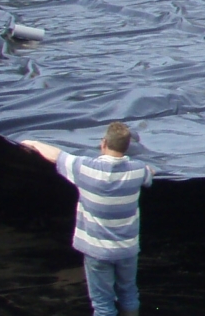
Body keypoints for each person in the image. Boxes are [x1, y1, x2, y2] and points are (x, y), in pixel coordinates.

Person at [20, 123, 157, 316]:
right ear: (127, 147)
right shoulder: (137, 171)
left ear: (103, 143)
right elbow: (150, 172)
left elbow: (56, 155)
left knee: (103, 305)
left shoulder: (85, 168)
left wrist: (33, 142)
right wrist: (151, 169)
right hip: (127, 249)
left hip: (98, 251)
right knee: (129, 293)